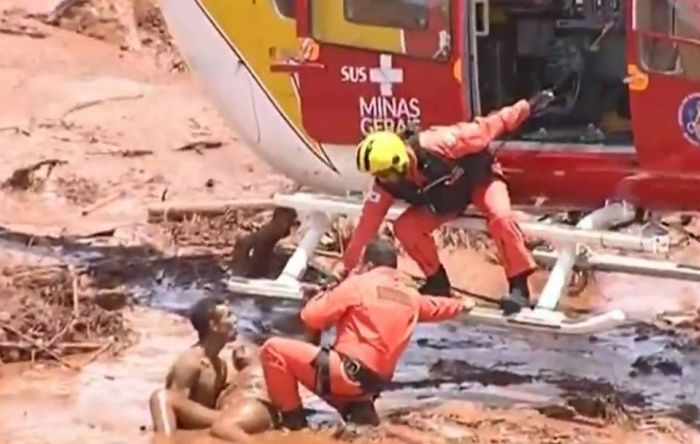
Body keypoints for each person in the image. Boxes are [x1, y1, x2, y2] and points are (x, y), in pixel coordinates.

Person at [339, 92, 556, 315]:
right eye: (378, 175)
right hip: (443, 201)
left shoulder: (443, 142)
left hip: (480, 181)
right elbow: (366, 227)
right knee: (405, 227)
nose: (382, 180)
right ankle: (437, 282)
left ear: (400, 161)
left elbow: (492, 124)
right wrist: (346, 270)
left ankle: (519, 286)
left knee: (501, 217)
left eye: (385, 174)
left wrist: (527, 106)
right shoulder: (384, 184)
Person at [259, 237, 475, 430]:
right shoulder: (411, 296)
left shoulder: (359, 285)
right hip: (373, 383)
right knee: (357, 414)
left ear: (368, 264)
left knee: (273, 350)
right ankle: (356, 409)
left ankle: (294, 423)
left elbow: (311, 317)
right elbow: (438, 306)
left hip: (347, 372)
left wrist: (323, 294)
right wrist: (462, 304)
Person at [149, 296, 236, 435]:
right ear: (214, 325)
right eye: (229, 316)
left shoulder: (221, 365)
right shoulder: (190, 362)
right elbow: (174, 411)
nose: (235, 320)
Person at [209, 343, 279, 443]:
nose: (241, 347)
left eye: (248, 346)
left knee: (223, 427)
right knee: (223, 427)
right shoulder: (235, 378)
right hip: (241, 407)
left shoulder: (266, 367)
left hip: (255, 403)